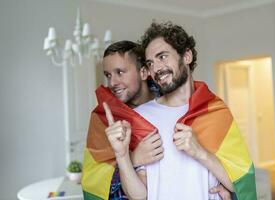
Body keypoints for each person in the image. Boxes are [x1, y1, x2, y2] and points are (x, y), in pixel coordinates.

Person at [103, 22, 257, 200]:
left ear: (186, 56)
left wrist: (200, 152)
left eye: (162, 57)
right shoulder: (141, 116)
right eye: (150, 63)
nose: (157, 68)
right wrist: (122, 156)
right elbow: (138, 195)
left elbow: (240, 182)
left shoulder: (215, 111)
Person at [82, 40, 231, 199]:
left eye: (120, 72)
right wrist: (132, 159)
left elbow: (225, 161)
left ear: (144, 72)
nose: (112, 83)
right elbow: (96, 182)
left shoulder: (182, 101)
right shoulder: (105, 118)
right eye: (108, 75)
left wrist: (219, 181)